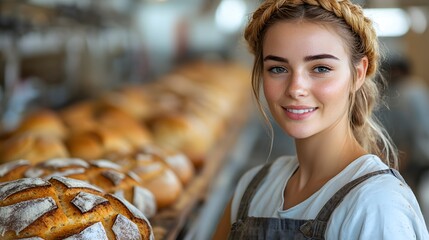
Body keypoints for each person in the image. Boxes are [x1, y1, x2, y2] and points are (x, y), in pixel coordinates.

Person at [213, 0, 429, 239]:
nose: (296, 88)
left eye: (321, 68)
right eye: (277, 69)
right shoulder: (252, 187)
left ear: (357, 74)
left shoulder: (377, 205)